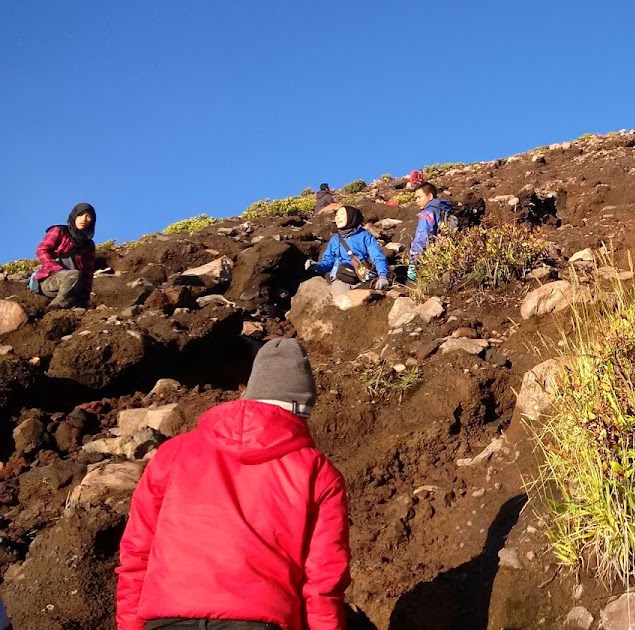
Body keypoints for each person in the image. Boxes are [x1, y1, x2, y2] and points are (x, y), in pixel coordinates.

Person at [116, 338, 351, 630]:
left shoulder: (172, 453)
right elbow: (323, 579)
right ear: (303, 410)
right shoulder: (316, 470)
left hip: (165, 620)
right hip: (259, 621)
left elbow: (137, 555)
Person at [307, 205, 391, 294]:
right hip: (342, 278)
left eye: (341, 214)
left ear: (352, 216)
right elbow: (328, 261)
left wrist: (382, 276)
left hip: (362, 277)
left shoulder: (365, 235)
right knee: (341, 300)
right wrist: (316, 266)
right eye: (337, 215)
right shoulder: (335, 240)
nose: (337, 218)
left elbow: (377, 256)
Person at [31, 202, 97, 309]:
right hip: (51, 280)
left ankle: (72, 303)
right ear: (74, 215)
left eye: (88, 216)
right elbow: (42, 250)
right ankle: (56, 307)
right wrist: (56, 269)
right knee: (73, 275)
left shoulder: (89, 245)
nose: (84, 219)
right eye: (80, 215)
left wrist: (85, 297)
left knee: (76, 276)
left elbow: (88, 272)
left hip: (74, 284)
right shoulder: (59, 231)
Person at [408, 182, 450, 281]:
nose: (416, 201)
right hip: (448, 254)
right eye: (415, 198)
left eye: (419, 197)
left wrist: (414, 260)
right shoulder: (442, 209)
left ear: (430, 196)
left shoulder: (428, 212)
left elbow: (422, 236)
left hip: (434, 257)